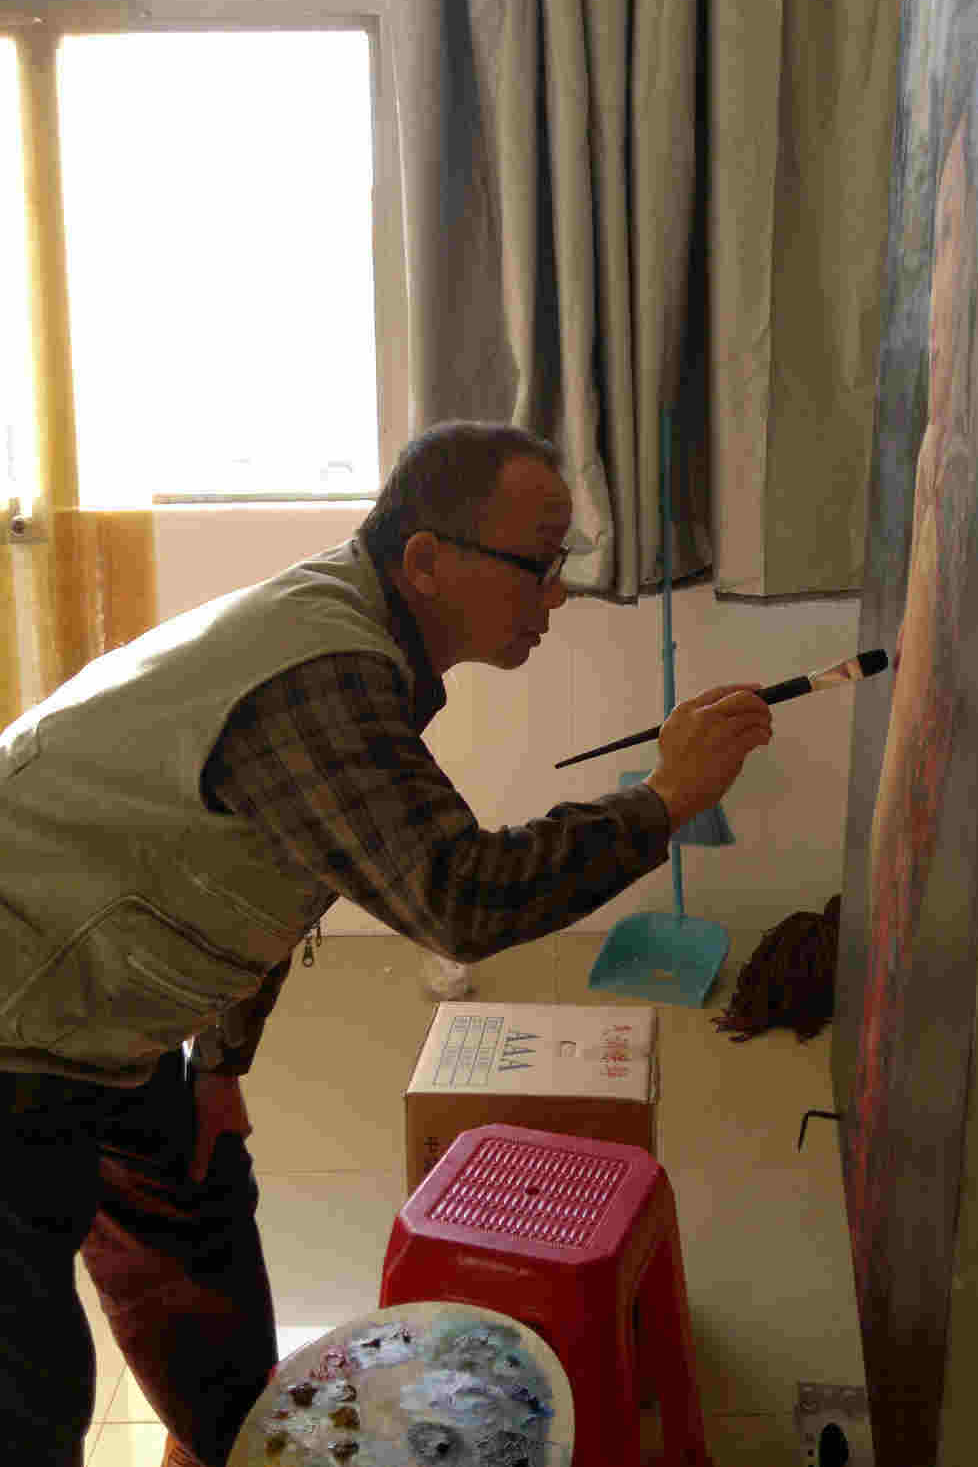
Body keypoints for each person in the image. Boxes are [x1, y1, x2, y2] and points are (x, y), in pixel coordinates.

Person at [0, 419, 772, 1467]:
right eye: (539, 564)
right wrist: (666, 798)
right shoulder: (325, 671)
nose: (557, 595)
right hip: (22, 1012)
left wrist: (219, 1062)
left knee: (197, 1192)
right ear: (427, 559)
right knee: (28, 1387)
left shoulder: (348, 628)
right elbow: (462, 898)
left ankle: (230, 1445)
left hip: (91, 990)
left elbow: (264, 859)